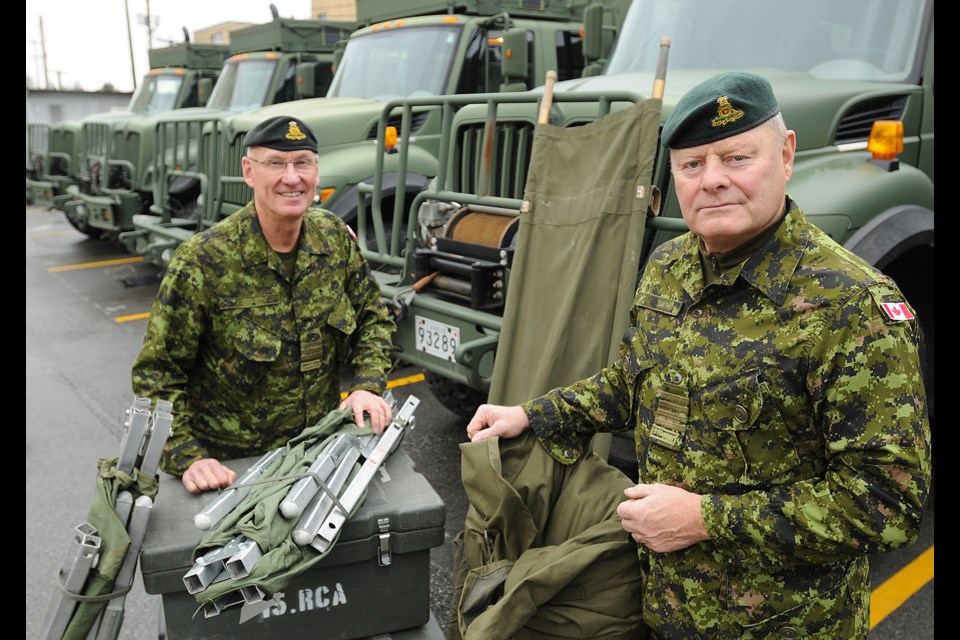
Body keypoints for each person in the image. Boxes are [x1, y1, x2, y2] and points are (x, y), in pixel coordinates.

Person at [465, 72, 931, 638]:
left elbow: (888, 502)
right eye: (692, 165)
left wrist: (704, 518)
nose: (713, 181)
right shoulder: (669, 266)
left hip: (785, 625)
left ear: (785, 157)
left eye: (736, 158)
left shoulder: (852, 304)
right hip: (663, 613)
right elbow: (634, 382)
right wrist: (533, 415)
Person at [132, 115, 396, 494]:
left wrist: (367, 385)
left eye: (302, 162)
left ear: (317, 172)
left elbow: (374, 318)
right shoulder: (205, 260)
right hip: (233, 470)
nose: (292, 177)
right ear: (249, 172)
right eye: (275, 163)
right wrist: (187, 455)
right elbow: (157, 372)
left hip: (318, 458)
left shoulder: (334, 238)